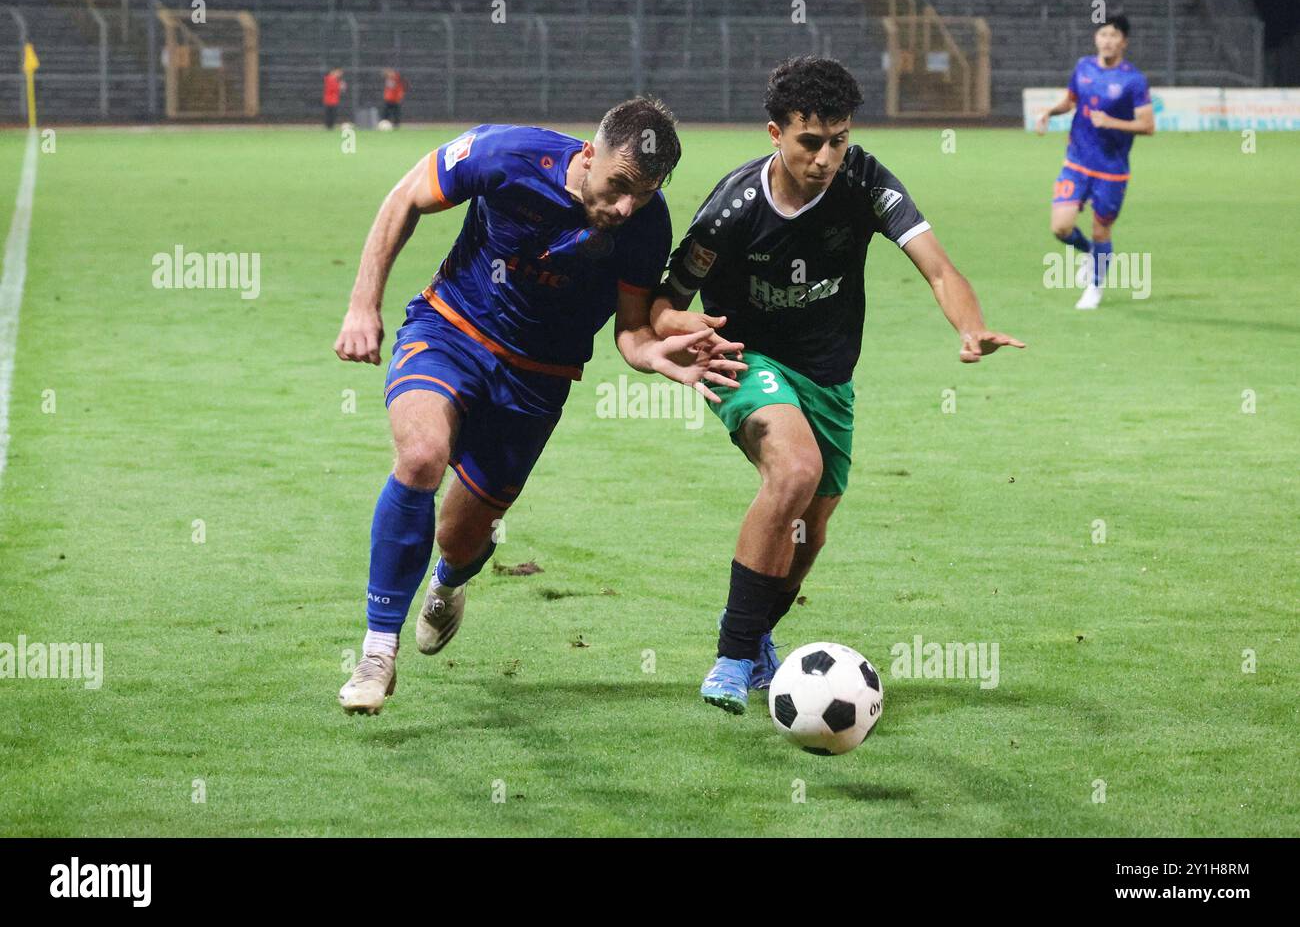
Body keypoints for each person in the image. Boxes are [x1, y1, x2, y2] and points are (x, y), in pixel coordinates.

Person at [333, 98, 746, 715]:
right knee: (421, 458)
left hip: (538, 379)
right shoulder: (507, 154)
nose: (628, 205)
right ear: (588, 155)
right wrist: (364, 305)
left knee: (458, 538)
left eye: (647, 191)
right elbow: (405, 198)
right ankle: (376, 653)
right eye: (620, 185)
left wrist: (655, 356)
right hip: (450, 331)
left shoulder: (645, 225)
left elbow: (631, 330)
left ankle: (449, 581)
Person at [651, 57, 1024, 714]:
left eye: (838, 139)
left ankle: (758, 638)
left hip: (827, 377)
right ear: (775, 133)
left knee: (809, 532)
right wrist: (690, 328)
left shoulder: (866, 181)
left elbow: (939, 269)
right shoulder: (733, 207)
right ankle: (732, 658)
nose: (826, 157)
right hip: (746, 357)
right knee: (794, 472)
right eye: (810, 142)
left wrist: (972, 326)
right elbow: (663, 306)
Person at [1036, 15, 1154, 309]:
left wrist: (1111, 122)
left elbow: (1148, 125)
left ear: (1124, 42)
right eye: (1103, 34)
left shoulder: (1133, 80)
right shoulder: (1083, 67)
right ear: (1096, 39)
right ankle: (1089, 252)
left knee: (1101, 229)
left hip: (1111, 170)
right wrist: (1049, 112)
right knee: (1060, 227)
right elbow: (1070, 101)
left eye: (1114, 35)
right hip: (1076, 161)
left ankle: (1095, 288)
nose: (1108, 40)